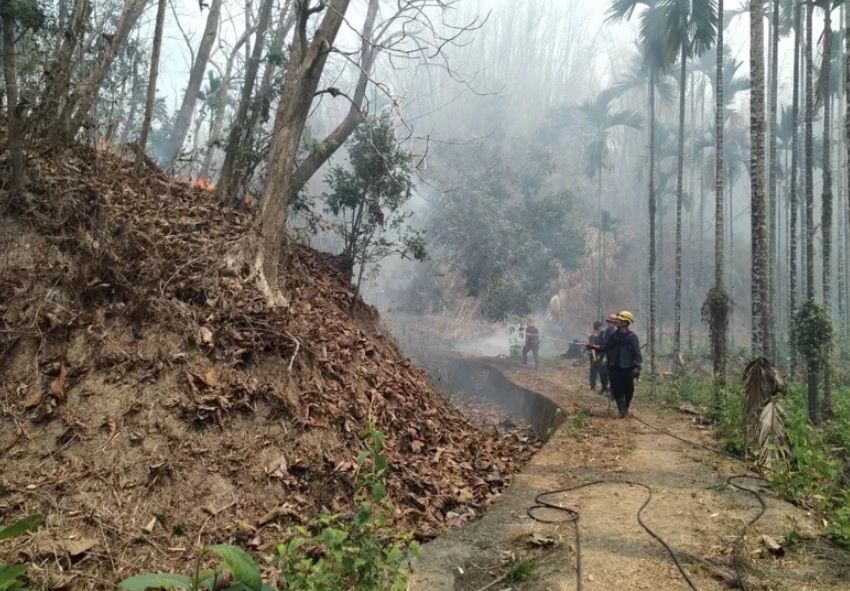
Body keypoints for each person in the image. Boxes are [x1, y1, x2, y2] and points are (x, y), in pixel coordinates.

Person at [598, 310, 642, 418]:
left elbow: (637, 353)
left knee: (629, 390)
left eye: (619, 320)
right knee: (617, 389)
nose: (616, 321)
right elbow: (606, 347)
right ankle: (622, 411)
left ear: (625, 323)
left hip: (628, 368)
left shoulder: (632, 337)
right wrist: (593, 346)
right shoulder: (614, 335)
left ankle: (625, 408)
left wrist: (637, 366)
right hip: (614, 367)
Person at [588, 321, 606, 392]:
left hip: (600, 356)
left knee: (601, 372)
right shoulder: (593, 336)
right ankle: (593, 386)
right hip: (594, 356)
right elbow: (592, 347)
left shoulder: (600, 335)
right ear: (598, 327)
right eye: (601, 327)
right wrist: (594, 358)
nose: (602, 328)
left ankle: (603, 387)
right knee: (594, 371)